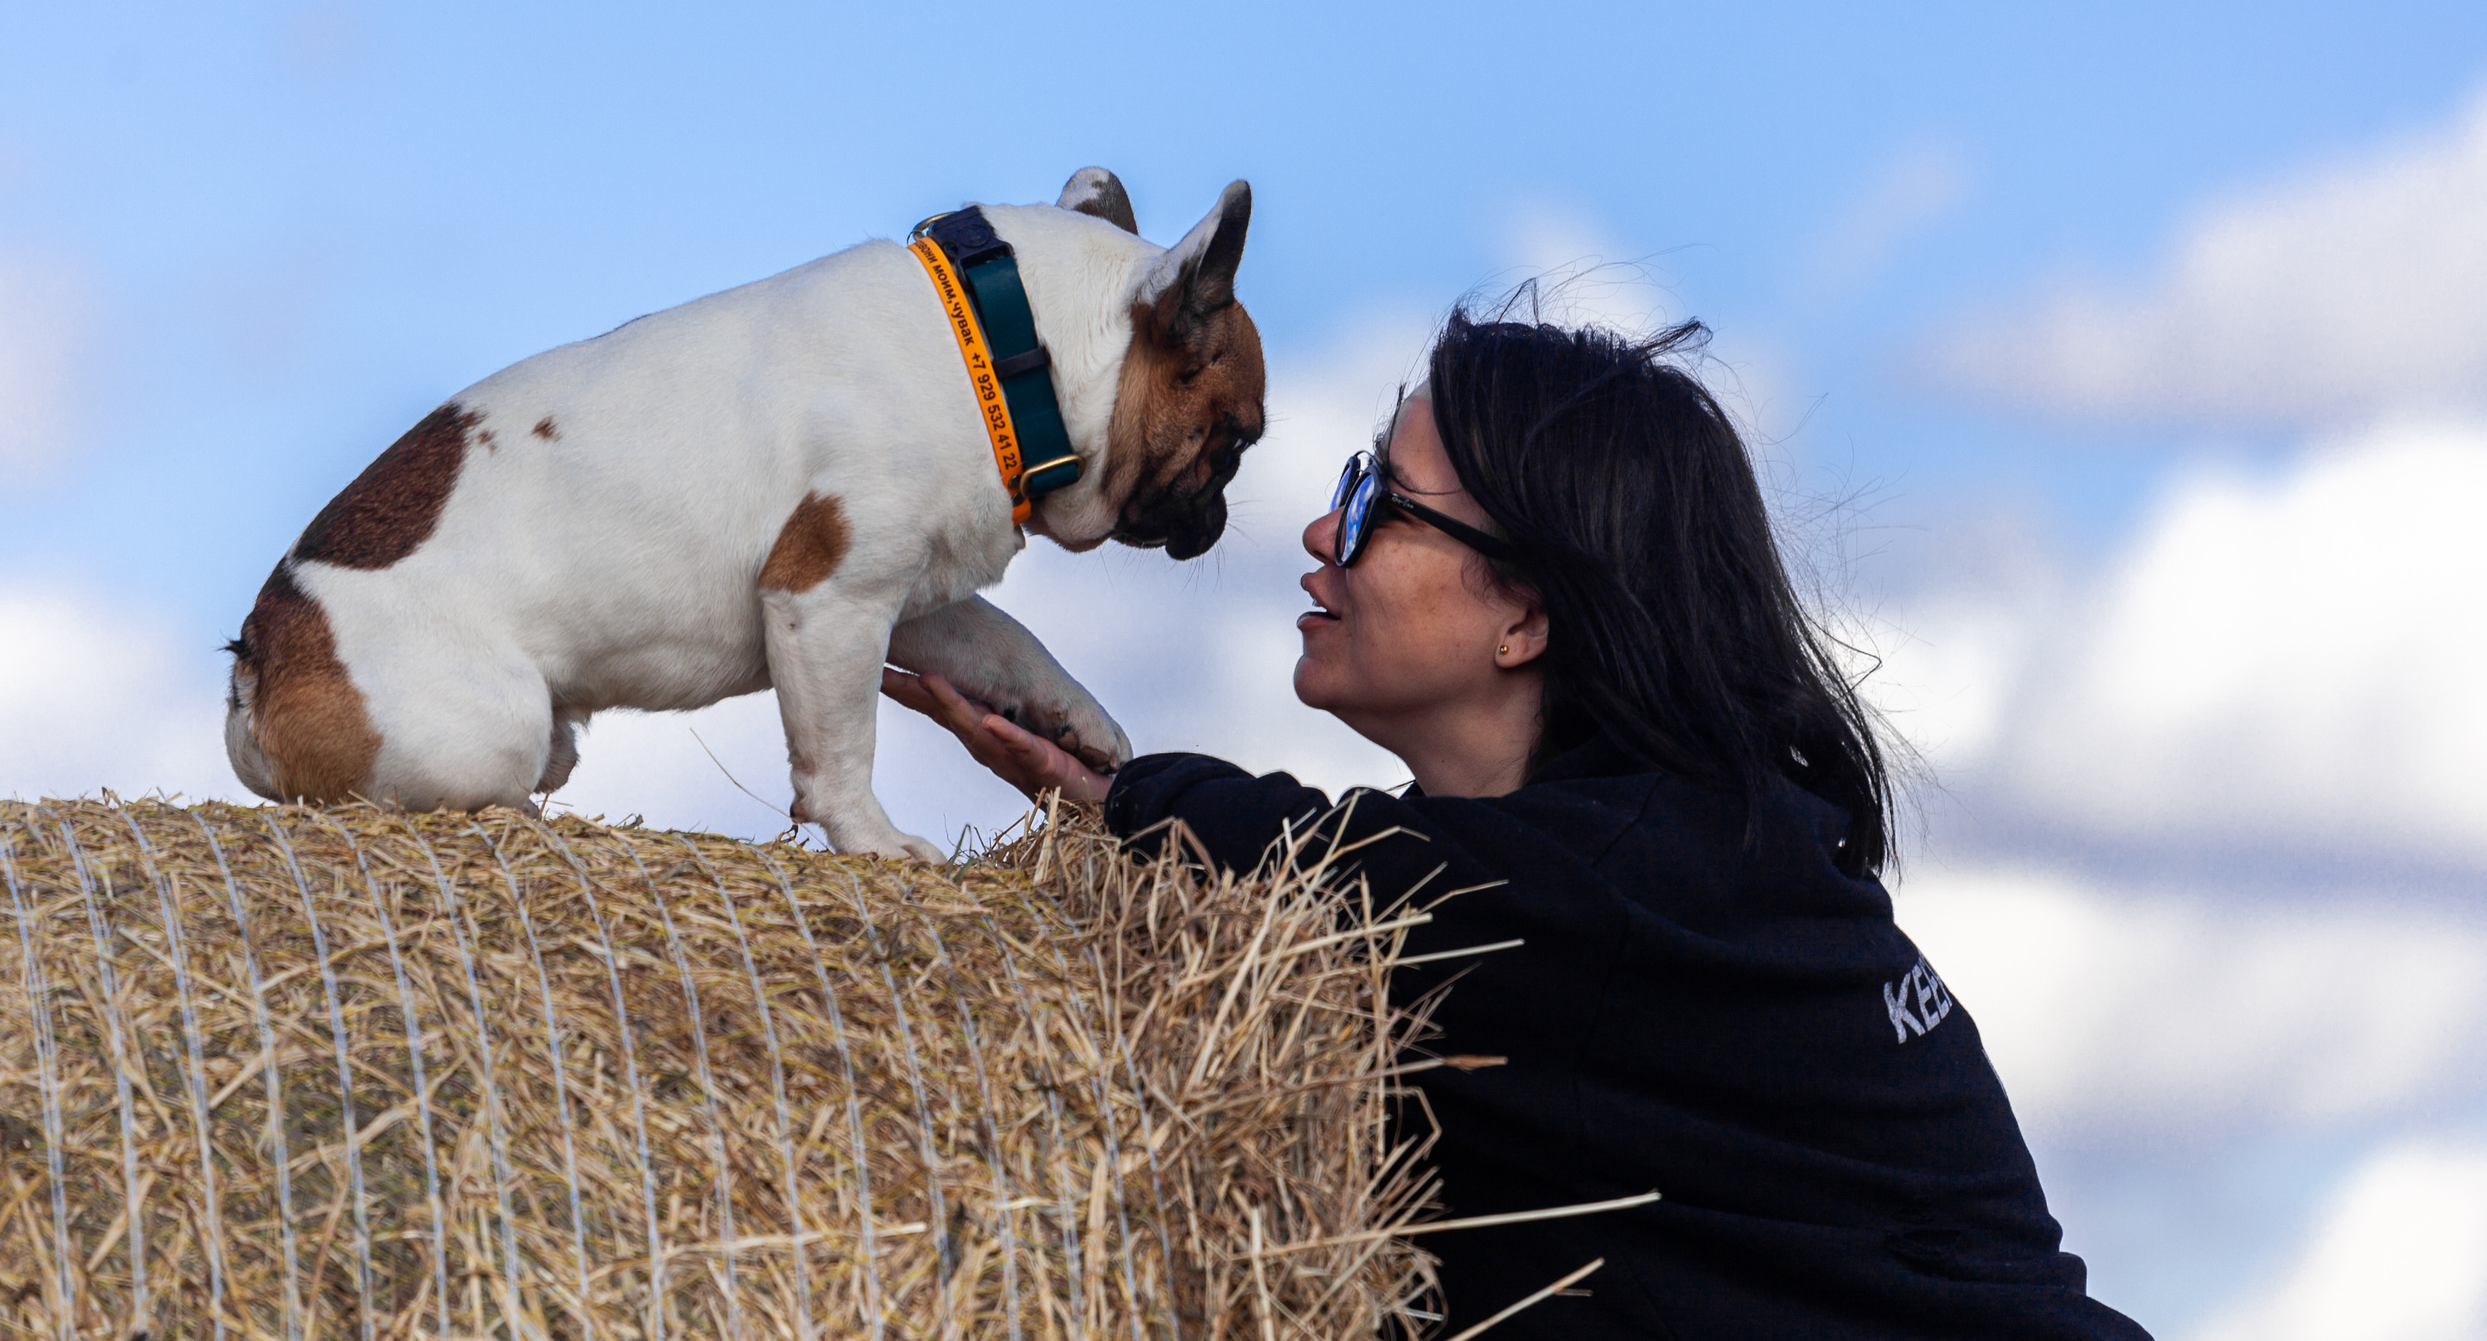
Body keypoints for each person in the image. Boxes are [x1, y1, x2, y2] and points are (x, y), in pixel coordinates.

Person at [885, 308, 2149, 1340]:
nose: (1326, 531)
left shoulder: (1631, 885)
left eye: (1382, 500)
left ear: (1527, 616)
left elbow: (1342, 874)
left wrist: (1126, 795)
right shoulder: (1644, 873)